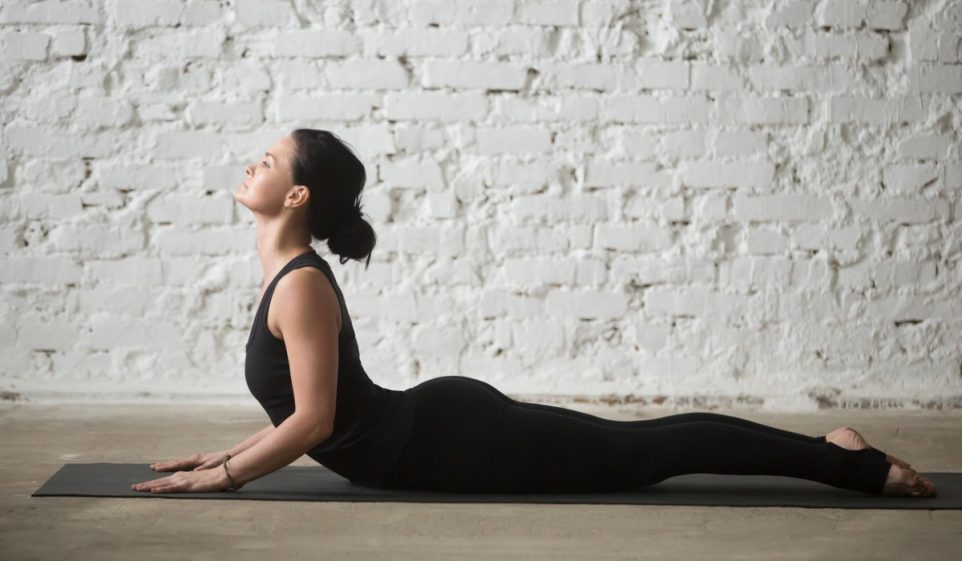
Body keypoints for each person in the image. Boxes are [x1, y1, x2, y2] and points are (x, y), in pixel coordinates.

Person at [132, 129, 937, 498]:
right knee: (643, 449)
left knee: (649, 451)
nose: (253, 162)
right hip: (427, 436)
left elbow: (312, 420)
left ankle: (849, 462)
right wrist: (215, 454)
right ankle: (835, 453)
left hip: (446, 438)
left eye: (269, 160)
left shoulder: (301, 284)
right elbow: (309, 409)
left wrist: (226, 477)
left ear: (297, 194)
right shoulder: (286, 276)